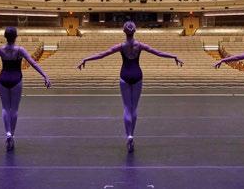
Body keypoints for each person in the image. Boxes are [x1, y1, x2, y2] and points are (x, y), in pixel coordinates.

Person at [77, 20, 184, 152]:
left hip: (125, 75)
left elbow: (102, 55)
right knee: (134, 108)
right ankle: (132, 134)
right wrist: (174, 56)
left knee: (127, 107)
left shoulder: (120, 46)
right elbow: (158, 52)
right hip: (137, 75)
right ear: (135, 31)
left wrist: (86, 59)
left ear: (124, 31)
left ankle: (128, 136)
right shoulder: (140, 45)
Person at [0, 27, 51, 151]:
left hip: (3, 79)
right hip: (16, 79)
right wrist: (45, 75)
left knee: (5, 108)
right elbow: (33, 63)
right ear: (16, 37)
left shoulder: (0, 50)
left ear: (5, 37)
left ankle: (8, 133)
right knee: (14, 109)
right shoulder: (20, 50)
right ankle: (12, 135)